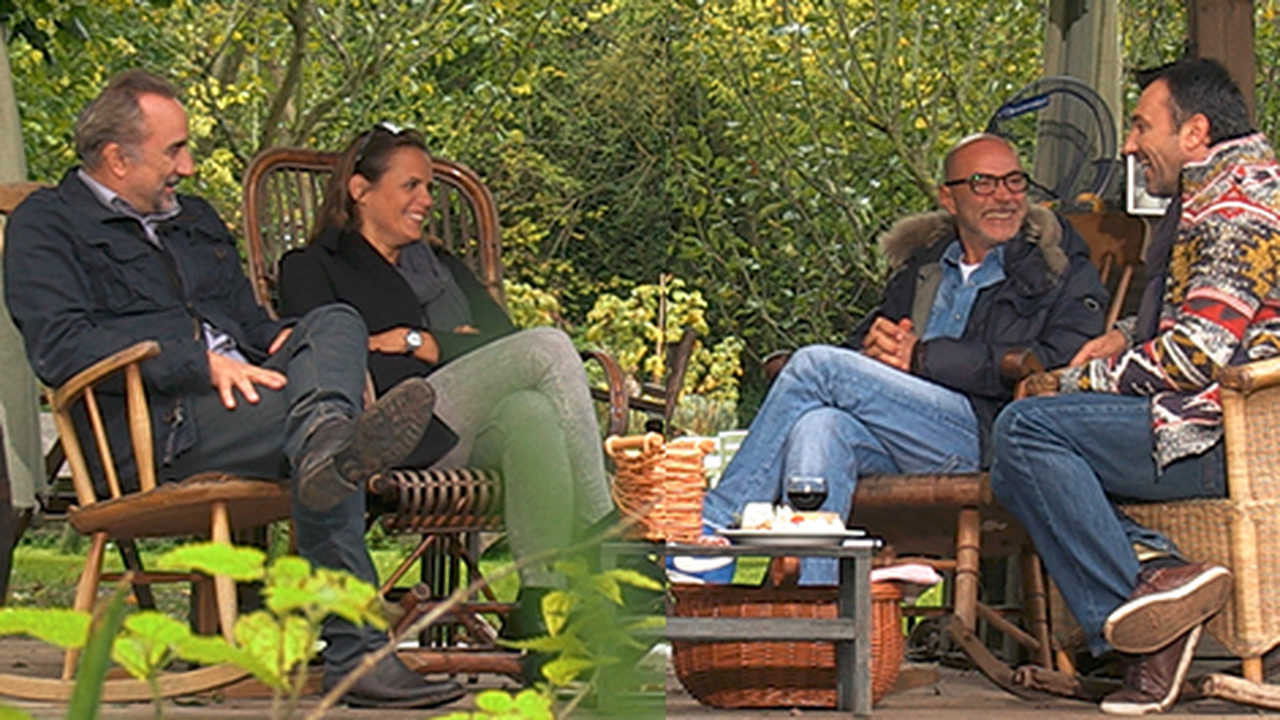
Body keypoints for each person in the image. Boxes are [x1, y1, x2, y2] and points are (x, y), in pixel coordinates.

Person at [2, 70, 464, 709]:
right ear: (116, 157)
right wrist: (195, 363)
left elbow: (252, 327)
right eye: (175, 150)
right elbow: (59, 347)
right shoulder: (47, 226)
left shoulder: (192, 221)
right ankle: (357, 650)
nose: (188, 167)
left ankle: (328, 444)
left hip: (252, 407)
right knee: (326, 436)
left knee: (332, 324)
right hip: (153, 426)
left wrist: (287, 344)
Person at [990, 58, 1279, 716]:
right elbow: (1213, 313)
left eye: (1142, 125)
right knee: (1014, 463)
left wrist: (1073, 379)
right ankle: (1158, 573)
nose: (1128, 143)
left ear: (1195, 131)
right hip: (1213, 421)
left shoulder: (1235, 211)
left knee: (1025, 432)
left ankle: (1146, 621)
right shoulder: (1235, 188)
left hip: (1223, 436)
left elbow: (1195, 355)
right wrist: (1124, 332)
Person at [691, 133, 1109, 584]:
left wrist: (923, 357)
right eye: (984, 184)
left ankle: (710, 529)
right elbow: (864, 351)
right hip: (899, 436)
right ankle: (823, 616)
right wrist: (873, 351)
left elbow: (1062, 359)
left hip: (985, 435)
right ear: (948, 197)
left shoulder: (1055, 267)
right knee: (819, 427)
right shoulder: (923, 266)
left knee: (816, 365)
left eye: (1013, 181)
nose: (1004, 197)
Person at [275, 123, 615, 642]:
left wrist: (419, 342)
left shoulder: (442, 268)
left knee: (531, 412)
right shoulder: (311, 267)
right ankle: (606, 539)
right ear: (360, 190)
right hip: (383, 435)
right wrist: (456, 344)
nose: (427, 200)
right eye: (411, 185)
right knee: (548, 346)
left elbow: (504, 344)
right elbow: (330, 363)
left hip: (464, 433)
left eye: (430, 187)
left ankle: (539, 606)